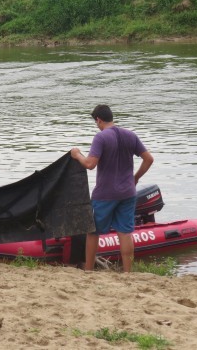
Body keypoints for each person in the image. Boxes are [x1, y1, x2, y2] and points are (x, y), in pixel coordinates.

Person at [70, 104, 153, 273]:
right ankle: (128, 273)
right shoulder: (130, 135)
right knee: (125, 233)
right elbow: (149, 159)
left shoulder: (101, 137)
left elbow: (90, 164)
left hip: (105, 194)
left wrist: (76, 154)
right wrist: (135, 178)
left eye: (96, 122)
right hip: (128, 193)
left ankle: (89, 270)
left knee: (93, 232)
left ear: (98, 120)